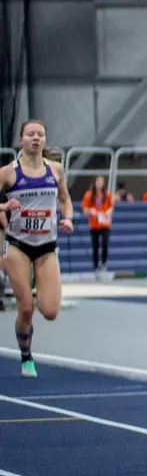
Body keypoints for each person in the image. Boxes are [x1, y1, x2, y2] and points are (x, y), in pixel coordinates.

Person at [1, 120, 74, 377]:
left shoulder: (55, 170)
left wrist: (68, 218)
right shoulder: (8, 173)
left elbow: (65, 199)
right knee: (25, 308)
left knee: (51, 311)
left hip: (46, 246)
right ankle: (26, 356)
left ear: (44, 140)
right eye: (30, 134)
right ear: (21, 139)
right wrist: (4, 207)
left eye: (40, 134)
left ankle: (35, 286)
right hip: (18, 245)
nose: (35, 138)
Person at [82, 174, 114, 276]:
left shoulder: (107, 194)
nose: (100, 183)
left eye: (101, 181)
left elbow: (111, 207)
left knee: (105, 243)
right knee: (95, 245)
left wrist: (108, 212)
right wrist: (91, 211)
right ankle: (95, 266)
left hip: (105, 223)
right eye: (98, 181)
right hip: (94, 224)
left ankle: (104, 263)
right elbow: (85, 209)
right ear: (94, 183)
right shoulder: (89, 195)